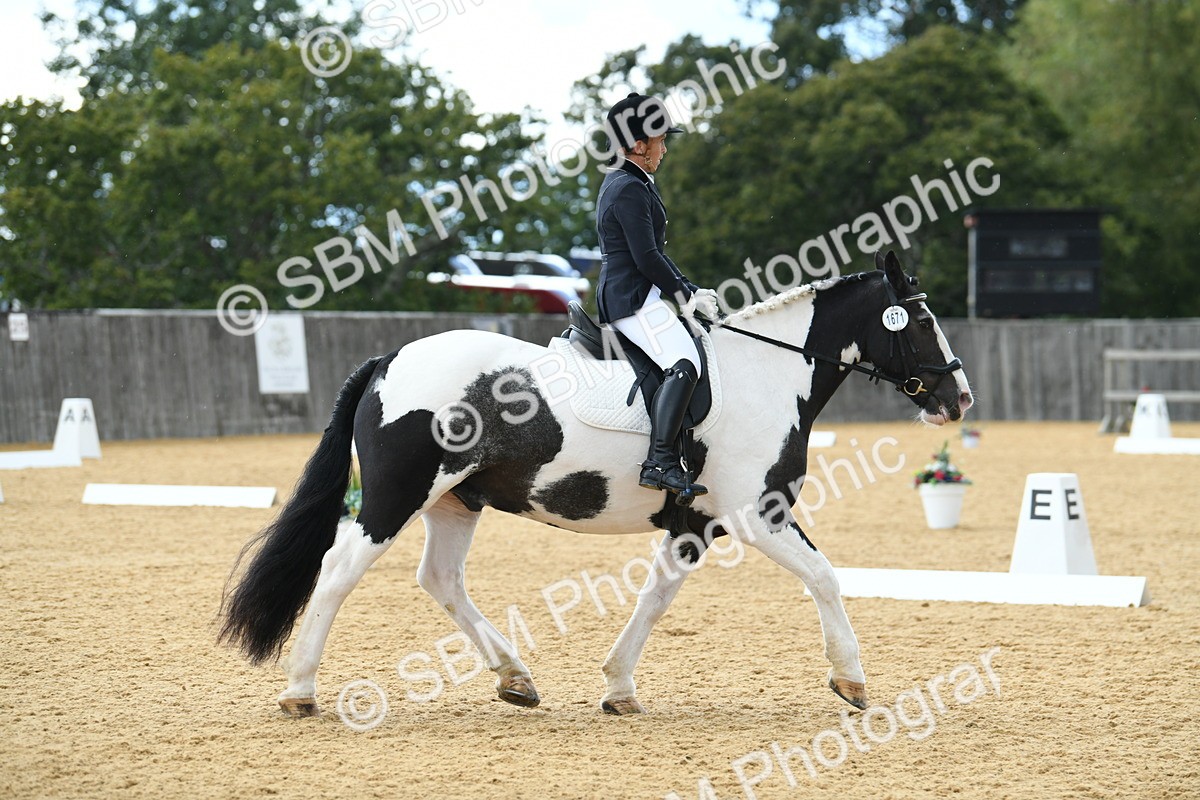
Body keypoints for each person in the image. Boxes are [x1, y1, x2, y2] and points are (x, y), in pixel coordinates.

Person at [595, 92, 720, 497]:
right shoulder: (628, 188)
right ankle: (660, 461)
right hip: (630, 299)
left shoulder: (630, 182)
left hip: (637, 293)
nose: (664, 149)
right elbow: (647, 257)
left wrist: (690, 289)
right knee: (684, 361)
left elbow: (654, 256)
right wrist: (686, 294)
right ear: (637, 145)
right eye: (660, 141)